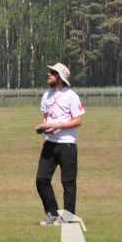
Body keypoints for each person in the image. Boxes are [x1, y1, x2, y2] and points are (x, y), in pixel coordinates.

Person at [35, 63, 85, 226]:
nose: (48, 74)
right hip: (49, 143)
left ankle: (68, 218)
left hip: (67, 144)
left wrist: (57, 127)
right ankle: (52, 214)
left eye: (52, 72)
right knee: (41, 179)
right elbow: (45, 119)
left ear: (60, 77)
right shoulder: (46, 95)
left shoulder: (71, 96)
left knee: (68, 182)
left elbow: (78, 121)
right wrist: (43, 127)